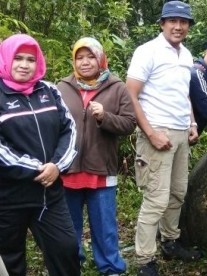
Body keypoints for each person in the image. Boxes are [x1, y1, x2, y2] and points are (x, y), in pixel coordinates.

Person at [125, 1, 199, 275]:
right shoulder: (147, 51)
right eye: (173, 21)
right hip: (157, 131)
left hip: (181, 132)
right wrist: (151, 133)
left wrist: (192, 122)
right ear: (162, 23)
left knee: (177, 192)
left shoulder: (187, 55)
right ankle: (145, 259)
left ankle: (170, 241)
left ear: (189, 26)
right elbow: (130, 94)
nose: (178, 26)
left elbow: (186, 93)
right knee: (156, 198)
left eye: (184, 22)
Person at [0, 33, 80, 276]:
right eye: (18, 58)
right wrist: (38, 168)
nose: (24, 65)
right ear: (6, 59)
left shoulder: (49, 90)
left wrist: (56, 165)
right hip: (7, 199)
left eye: (31, 59)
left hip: (49, 195)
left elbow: (70, 129)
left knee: (66, 250)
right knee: (10, 260)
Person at [57, 37, 136, 276]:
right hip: (68, 169)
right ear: (73, 60)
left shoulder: (117, 87)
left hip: (101, 169)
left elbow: (129, 123)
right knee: (69, 227)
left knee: (105, 226)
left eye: (91, 56)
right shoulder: (61, 87)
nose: (85, 62)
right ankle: (73, 265)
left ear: (101, 59)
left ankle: (111, 268)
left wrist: (105, 117)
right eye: (80, 57)